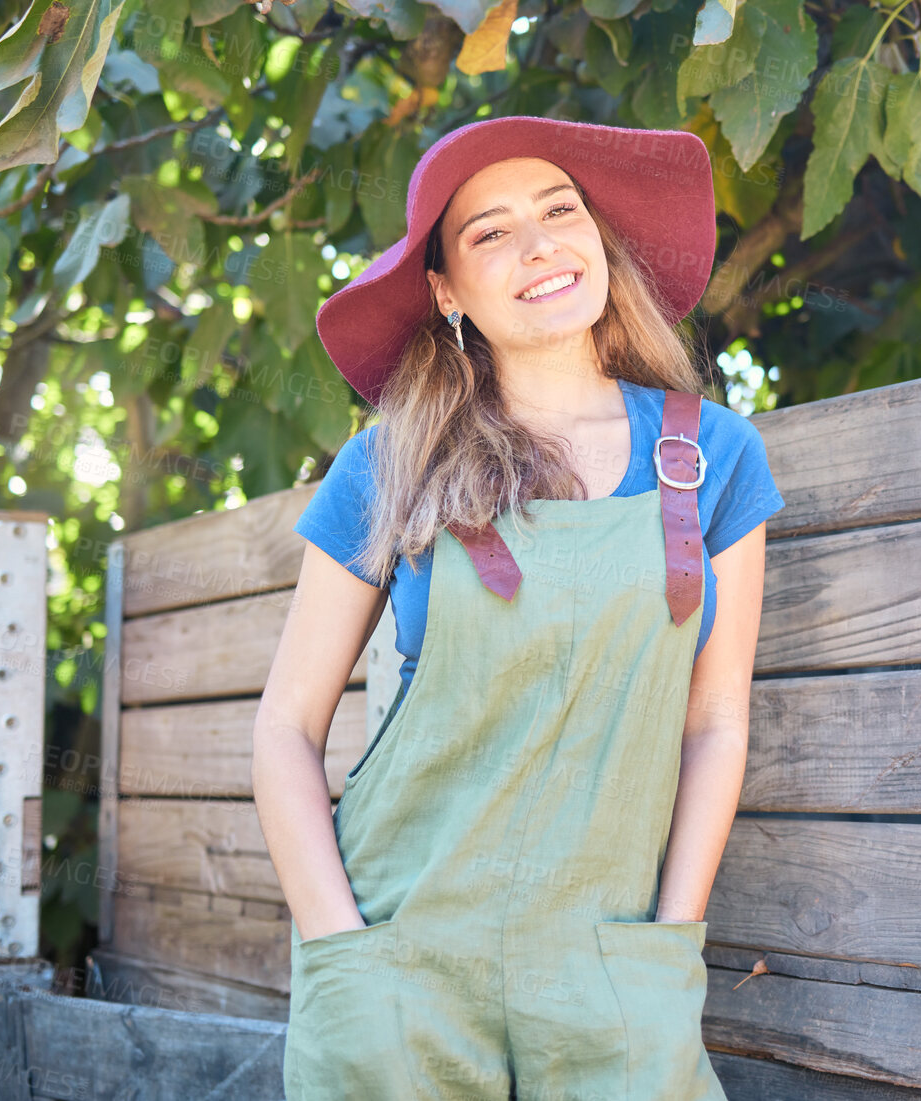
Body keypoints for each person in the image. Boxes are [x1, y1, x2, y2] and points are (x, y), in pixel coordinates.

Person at [252, 114, 785, 1101]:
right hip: (401, 966)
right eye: (490, 232)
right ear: (447, 290)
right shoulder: (388, 463)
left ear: (599, 243)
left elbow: (716, 723)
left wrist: (669, 951)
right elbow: (284, 728)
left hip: (611, 977)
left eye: (560, 211)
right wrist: (341, 959)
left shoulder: (715, 458)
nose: (540, 245)